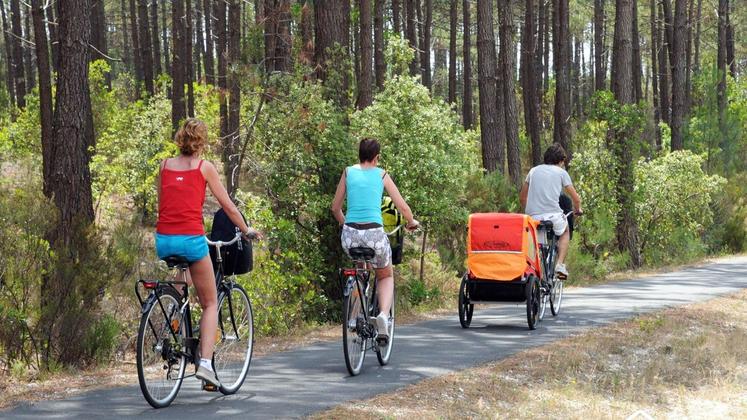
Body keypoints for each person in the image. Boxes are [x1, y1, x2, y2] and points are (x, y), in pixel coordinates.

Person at [156, 118, 261, 387]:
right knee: (210, 303)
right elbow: (228, 207)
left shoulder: (165, 166)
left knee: (185, 278)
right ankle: (204, 364)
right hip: (191, 241)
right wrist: (246, 229)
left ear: (180, 139)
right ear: (201, 143)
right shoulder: (205, 168)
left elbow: (165, 204)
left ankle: (176, 324)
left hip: (164, 240)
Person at [331, 138, 419, 339]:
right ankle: (382, 316)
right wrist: (411, 221)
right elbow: (402, 207)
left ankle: (354, 316)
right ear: (377, 157)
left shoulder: (347, 172)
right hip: (375, 236)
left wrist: (346, 225)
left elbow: (335, 208)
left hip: (350, 236)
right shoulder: (381, 175)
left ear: (359, 154)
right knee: (385, 275)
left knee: (360, 270)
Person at [519, 143, 583, 279]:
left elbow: (522, 197)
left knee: (535, 243)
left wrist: (529, 211)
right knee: (565, 231)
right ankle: (559, 264)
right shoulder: (561, 173)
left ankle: (534, 271)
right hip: (553, 216)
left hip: (533, 218)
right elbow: (576, 199)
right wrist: (578, 209)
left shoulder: (533, 171)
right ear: (560, 161)